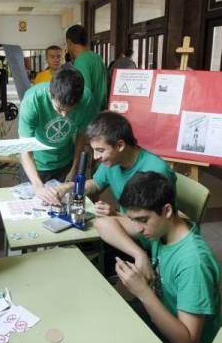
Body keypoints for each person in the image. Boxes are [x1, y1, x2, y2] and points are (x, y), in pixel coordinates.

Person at [95, 171, 222, 343]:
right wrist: (139, 254)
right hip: (161, 315)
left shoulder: (193, 263)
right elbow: (103, 224)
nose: (138, 228)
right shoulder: (160, 229)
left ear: (167, 211)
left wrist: (142, 291)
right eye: (133, 220)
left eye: (142, 220)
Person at [56, 111, 176, 217]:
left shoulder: (156, 171)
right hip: (127, 226)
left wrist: (116, 216)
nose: (96, 157)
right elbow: (96, 184)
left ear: (120, 146)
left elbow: (155, 222)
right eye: (94, 150)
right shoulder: (112, 161)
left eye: (100, 150)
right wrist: (70, 187)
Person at [18, 66, 98, 204]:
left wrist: (74, 169)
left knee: (66, 207)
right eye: (60, 108)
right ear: (50, 93)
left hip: (65, 162)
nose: (64, 115)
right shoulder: (33, 100)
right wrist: (37, 186)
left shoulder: (87, 100)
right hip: (35, 164)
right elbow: (25, 149)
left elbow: (82, 135)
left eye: (71, 110)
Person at [66, 24, 108, 110]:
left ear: (69, 42)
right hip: (101, 111)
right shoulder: (96, 57)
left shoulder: (81, 61)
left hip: (88, 114)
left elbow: (84, 93)